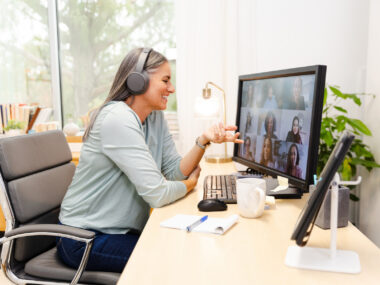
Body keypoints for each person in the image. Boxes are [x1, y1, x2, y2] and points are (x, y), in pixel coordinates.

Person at [56, 47, 243, 273]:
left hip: (117, 233)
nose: (171, 89)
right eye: (165, 80)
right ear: (138, 80)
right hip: (83, 239)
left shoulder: (154, 116)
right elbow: (158, 194)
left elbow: (175, 172)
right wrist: (191, 184)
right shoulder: (117, 118)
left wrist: (203, 140)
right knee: (177, 260)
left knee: (186, 249)